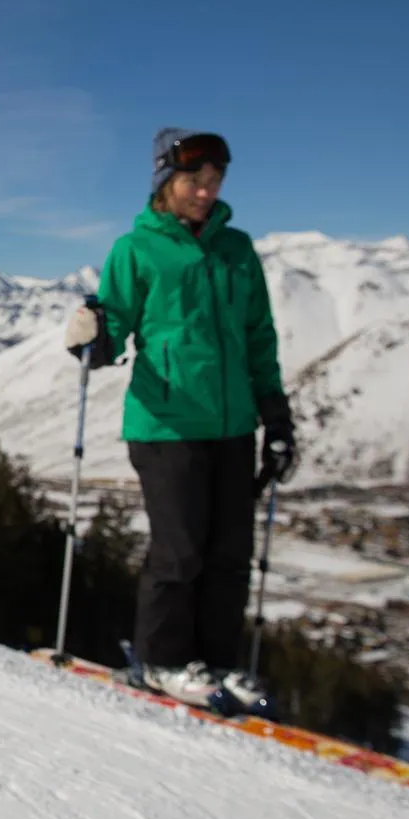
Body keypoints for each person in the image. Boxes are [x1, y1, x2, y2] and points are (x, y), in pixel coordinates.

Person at [63, 128, 294, 712]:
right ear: (167, 182)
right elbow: (113, 325)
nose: (206, 192)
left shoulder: (237, 250)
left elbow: (258, 338)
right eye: (195, 181)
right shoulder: (136, 250)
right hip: (165, 424)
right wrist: (91, 339)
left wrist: (277, 419)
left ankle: (215, 663)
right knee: (181, 550)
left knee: (229, 553)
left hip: (234, 425)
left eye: (215, 181)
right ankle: (161, 661)